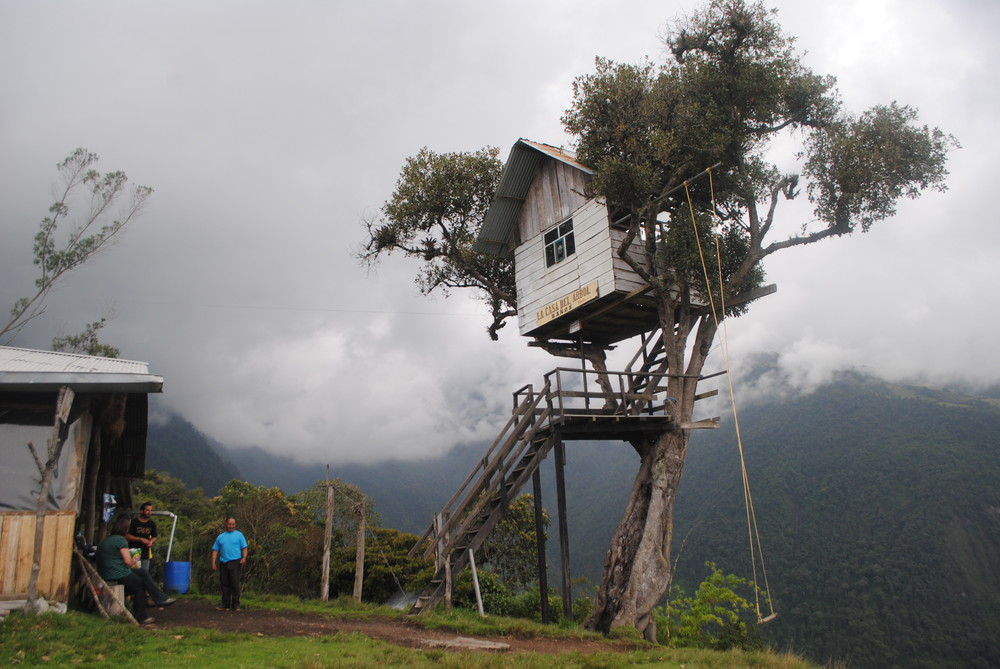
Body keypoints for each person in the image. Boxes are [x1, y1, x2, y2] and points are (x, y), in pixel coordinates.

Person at [96, 516, 175, 624]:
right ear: (125, 529)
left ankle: (160, 598)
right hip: (118, 573)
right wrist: (135, 560)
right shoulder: (121, 541)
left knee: (142, 572)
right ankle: (141, 617)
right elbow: (128, 562)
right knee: (140, 585)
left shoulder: (106, 540)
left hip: (106, 572)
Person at [211, 517, 248, 611]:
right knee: (224, 584)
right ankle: (225, 604)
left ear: (235, 525)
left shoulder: (239, 535)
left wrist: (244, 558)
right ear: (226, 524)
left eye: (233, 524)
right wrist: (213, 562)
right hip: (223, 562)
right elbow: (215, 550)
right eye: (229, 524)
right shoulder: (221, 537)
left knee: (235, 584)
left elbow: (244, 548)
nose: (231, 526)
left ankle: (236, 605)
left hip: (235, 562)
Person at [126, 501, 158, 572]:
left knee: (144, 574)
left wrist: (151, 542)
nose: (149, 512)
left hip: (146, 553)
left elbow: (155, 536)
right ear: (141, 511)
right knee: (134, 573)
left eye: (150, 510)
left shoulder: (152, 524)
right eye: (147, 510)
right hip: (134, 551)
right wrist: (139, 539)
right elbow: (127, 536)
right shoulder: (134, 522)